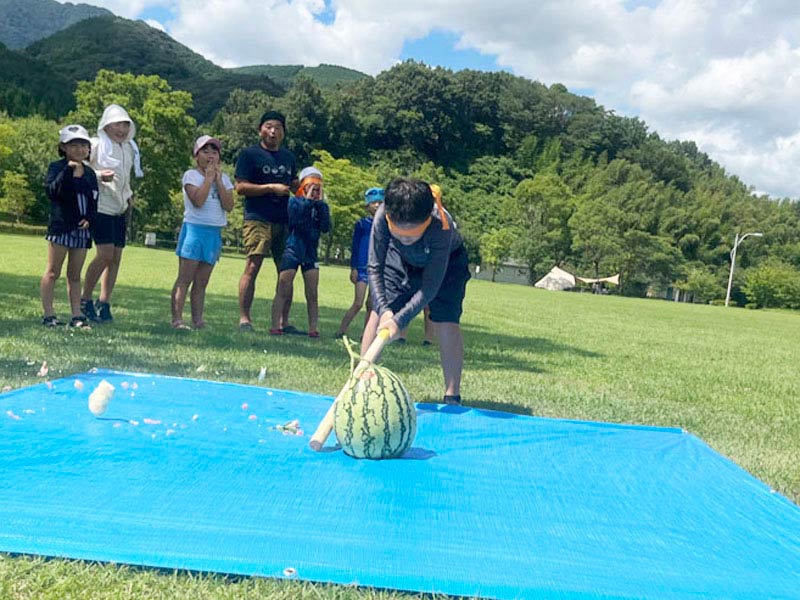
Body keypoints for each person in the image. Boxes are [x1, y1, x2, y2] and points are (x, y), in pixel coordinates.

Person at [362, 178, 470, 405]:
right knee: (376, 314)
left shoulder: (442, 225)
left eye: (410, 235)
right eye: (399, 234)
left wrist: (399, 320)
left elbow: (430, 287)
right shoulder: (382, 214)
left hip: (447, 264)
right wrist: (385, 311)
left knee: (445, 321)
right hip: (399, 259)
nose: (404, 239)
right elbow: (374, 267)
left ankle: (452, 396)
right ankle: (362, 383)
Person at [234, 110, 299, 332]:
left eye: (278, 127)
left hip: (285, 221)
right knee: (253, 266)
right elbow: (240, 187)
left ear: (284, 132)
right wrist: (270, 187)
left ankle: (283, 321)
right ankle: (245, 319)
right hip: (257, 219)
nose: (273, 131)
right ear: (260, 129)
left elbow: (295, 184)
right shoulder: (249, 155)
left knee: (287, 271)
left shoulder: (289, 157)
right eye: (269, 126)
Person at [81, 104, 143, 322]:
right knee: (105, 254)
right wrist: (98, 175)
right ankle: (85, 299)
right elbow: (79, 168)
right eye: (117, 124)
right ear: (106, 125)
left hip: (121, 207)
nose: (122, 129)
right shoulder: (96, 144)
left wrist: (128, 196)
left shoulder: (129, 147)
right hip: (101, 206)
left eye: (125, 124)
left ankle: (104, 302)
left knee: (116, 257)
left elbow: (126, 176)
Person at [170, 135, 234, 330]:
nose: (210, 156)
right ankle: (177, 319)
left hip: (213, 232)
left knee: (202, 281)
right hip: (194, 230)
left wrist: (219, 181)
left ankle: (198, 320)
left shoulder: (224, 178)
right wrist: (208, 179)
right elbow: (198, 200)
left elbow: (229, 205)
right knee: (185, 277)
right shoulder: (191, 176)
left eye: (214, 152)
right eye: (205, 151)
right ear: (196, 155)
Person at [41, 124, 98, 328]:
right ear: (63, 147)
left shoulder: (90, 173)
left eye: (83, 145)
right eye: (74, 145)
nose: (80, 149)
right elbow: (52, 192)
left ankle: (77, 315)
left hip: (82, 231)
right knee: (53, 272)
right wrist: (68, 170)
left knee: (74, 275)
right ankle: (49, 314)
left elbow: (94, 200)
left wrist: (90, 218)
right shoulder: (56, 168)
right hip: (61, 227)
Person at [270, 167, 331, 337]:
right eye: (312, 184)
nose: (316, 188)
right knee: (283, 286)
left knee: (312, 292)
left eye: (318, 184)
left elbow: (326, 227)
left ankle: (313, 328)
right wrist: (308, 201)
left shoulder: (321, 206)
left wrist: (320, 206)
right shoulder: (294, 202)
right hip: (292, 248)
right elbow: (294, 220)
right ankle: (276, 325)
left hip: (310, 252)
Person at [335, 187, 383, 339]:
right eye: (374, 202)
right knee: (358, 302)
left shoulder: (386, 225)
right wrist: (353, 267)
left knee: (372, 304)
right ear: (368, 205)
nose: (376, 205)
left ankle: (366, 333)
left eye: (380, 202)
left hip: (378, 268)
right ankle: (342, 329)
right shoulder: (362, 224)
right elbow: (355, 247)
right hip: (362, 268)